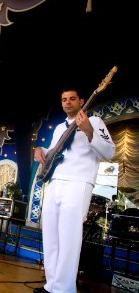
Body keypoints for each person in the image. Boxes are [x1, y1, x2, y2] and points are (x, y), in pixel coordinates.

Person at [33, 88, 115, 293]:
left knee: (69, 238)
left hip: (79, 182)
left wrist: (88, 130)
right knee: (51, 236)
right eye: (63, 100)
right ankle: (51, 284)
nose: (67, 103)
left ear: (82, 101)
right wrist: (40, 151)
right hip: (55, 182)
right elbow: (53, 152)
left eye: (72, 99)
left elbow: (109, 152)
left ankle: (64, 288)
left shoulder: (94, 122)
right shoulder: (59, 127)